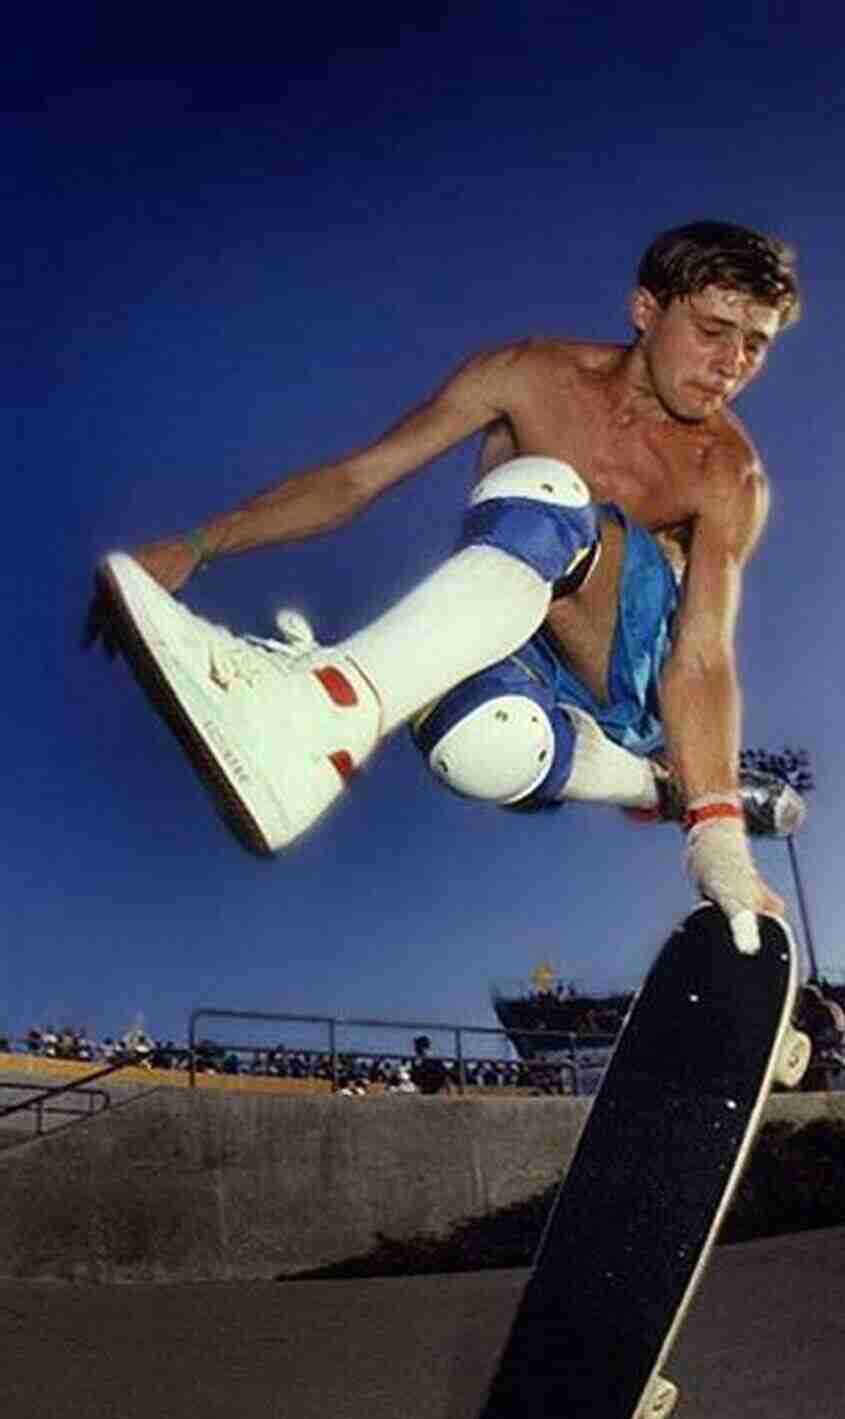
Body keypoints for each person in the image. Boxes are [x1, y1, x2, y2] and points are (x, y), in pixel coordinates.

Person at [86, 221, 807, 954]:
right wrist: (197, 544)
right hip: (520, 637)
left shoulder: (728, 474)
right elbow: (356, 479)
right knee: (474, 744)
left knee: (542, 490)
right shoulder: (528, 375)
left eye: (756, 345)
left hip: (632, 669)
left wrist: (717, 835)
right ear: (646, 311)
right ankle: (654, 786)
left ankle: (323, 706)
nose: (732, 365)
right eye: (714, 331)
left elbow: (704, 655)